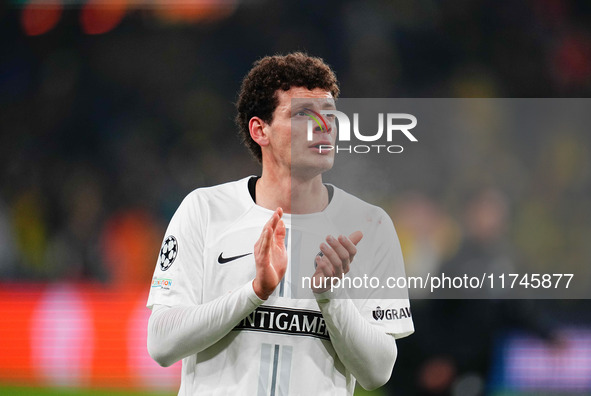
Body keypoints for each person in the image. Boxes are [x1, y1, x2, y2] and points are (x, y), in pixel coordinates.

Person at [146, 52, 413, 395]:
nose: (323, 127)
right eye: (303, 115)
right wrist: (254, 293)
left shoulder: (370, 225)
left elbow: (378, 371)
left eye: (330, 115)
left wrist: (332, 297)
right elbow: (162, 343)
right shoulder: (205, 210)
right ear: (260, 130)